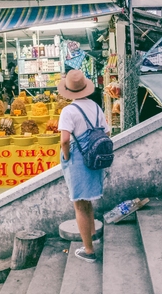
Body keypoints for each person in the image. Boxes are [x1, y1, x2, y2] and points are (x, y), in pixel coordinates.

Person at [57, 69, 106, 263]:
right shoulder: (95, 107)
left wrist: (68, 158)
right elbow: (106, 132)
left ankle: (88, 250)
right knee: (88, 200)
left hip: (78, 160)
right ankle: (92, 235)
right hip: (94, 158)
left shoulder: (68, 111)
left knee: (79, 204)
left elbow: (64, 141)